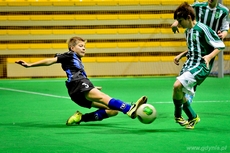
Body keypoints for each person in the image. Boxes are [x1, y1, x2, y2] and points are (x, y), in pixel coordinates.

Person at [15, 36, 148, 125]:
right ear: (72, 48)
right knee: (104, 97)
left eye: (84, 46)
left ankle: (80, 118)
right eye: (80, 45)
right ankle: (130, 109)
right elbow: (50, 60)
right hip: (78, 85)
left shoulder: (77, 61)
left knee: (113, 110)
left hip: (77, 91)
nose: (84, 48)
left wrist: (93, 88)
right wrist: (30, 65)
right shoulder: (69, 55)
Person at [172, 2, 225, 129]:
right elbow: (193, 48)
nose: (179, 24)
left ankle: (177, 116)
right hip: (189, 64)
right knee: (181, 93)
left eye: (180, 20)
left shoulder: (202, 29)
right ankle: (193, 117)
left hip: (201, 65)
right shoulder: (188, 31)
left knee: (177, 85)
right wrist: (181, 55)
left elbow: (220, 45)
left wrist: (209, 57)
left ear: (189, 18)